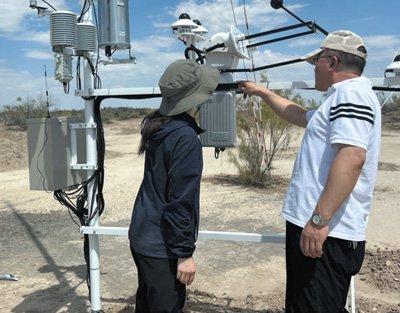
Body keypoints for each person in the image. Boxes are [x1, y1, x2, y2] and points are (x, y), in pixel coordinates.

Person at [240, 30, 381, 313]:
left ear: (331, 61)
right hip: (320, 229)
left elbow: (352, 156)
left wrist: (318, 221)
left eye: (315, 61)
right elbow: (299, 115)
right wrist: (264, 92)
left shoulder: (352, 95)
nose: (313, 68)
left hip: (327, 233)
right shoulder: (339, 97)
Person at [128, 59, 220, 313]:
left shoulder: (159, 126)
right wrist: (184, 254)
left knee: (147, 303)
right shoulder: (185, 138)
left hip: (143, 236)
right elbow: (180, 202)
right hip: (162, 246)